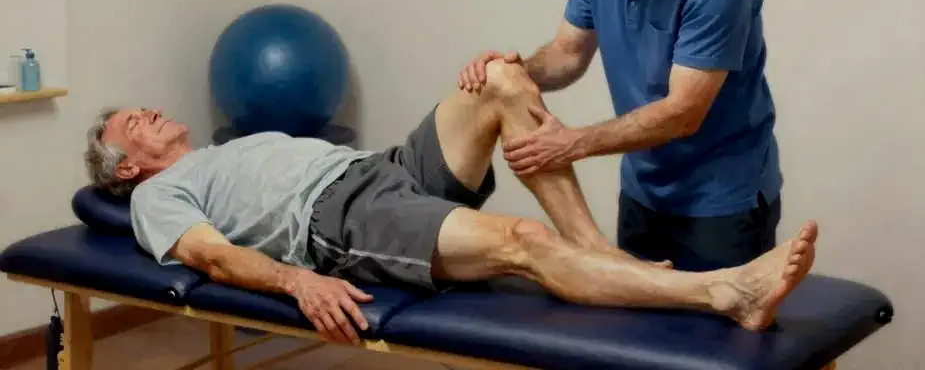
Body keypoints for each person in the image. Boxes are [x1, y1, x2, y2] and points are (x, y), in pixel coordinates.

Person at [84, 59, 816, 346]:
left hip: (383, 169)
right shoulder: (160, 196)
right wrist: (296, 278)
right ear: (125, 169)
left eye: (143, 108)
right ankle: (724, 291)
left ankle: (596, 256)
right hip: (343, 219)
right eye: (132, 124)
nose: (146, 112)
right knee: (521, 242)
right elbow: (210, 255)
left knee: (497, 77)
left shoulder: (217, 148)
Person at [459, 0, 782, 272]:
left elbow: (683, 114)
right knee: (635, 329)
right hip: (643, 192)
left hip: (720, 202)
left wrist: (571, 144)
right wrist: (511, 71)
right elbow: (569, 53)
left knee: (712, 334)